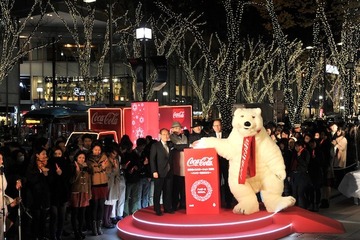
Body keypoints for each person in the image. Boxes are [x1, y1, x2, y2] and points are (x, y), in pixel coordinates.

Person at [25, 147, 51, 240]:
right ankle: (35, 236)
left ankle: (42, 235)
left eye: (46, 154)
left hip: (44, 197)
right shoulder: (31, 166)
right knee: (36, 218)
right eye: (43, 154)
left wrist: (46, 173)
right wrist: (40, 171)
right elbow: (31, 180)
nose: (45, 156)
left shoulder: (47, 165)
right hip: (34, 197)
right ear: (37, 155)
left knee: (43, 218)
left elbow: (48, 182)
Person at [86, 141, 111, 236]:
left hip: (103, 184)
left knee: (101, 206)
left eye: (99, 150)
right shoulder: (88, 159)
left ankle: (99, 226)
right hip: (94, 185)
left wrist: (104, 167)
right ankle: (94, 227)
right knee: (94, 207)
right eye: (95, 149)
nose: (97, 151)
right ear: (92, 149)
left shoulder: (104, 158)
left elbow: (109, 170)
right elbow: (90, 170)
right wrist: (100, 168)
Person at [48, 147, 71, 240]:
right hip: (53, 194)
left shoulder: (66, 164)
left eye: (59, 154)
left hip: (63, 194)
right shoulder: (49, 164)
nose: (57, 156)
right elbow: (49, 180)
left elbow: (68, 179)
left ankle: (59, 235)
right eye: (55, 154)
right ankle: (52, 235)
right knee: (54, 217)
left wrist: (61, 174)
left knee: (62, 217)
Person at [150, 128, 174, 216]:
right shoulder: (155, 146)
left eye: (167, 134)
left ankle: (167, 208)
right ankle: (157, 209)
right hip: (159, 172)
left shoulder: (170, 145)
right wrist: (154, 171)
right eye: (164, 134)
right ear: (160, 135)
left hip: (169, 172)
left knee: (168, 191)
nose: (166, 136)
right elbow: (152, 160)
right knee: (158, 191)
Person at [209, 119, 233, 209]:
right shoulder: (210, 137)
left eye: (218, 125)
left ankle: (228, 202)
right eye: (215, 125)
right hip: (214, 163)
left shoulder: (227, 135)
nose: (217, 127)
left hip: (226, 162)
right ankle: (216, 201)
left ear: (221, 126)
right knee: (215, 182)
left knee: (227, 181)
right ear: (213, 127)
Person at [69, 151, 91, 240]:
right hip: (75, 193)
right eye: (80, 157)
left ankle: (80, 230)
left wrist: (89, 193)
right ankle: (75, 231)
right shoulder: (72, 167)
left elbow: (89, 182)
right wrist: (77, 172)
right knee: (75, 214)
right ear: (76, 158)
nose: (82, 159)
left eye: (83, 158)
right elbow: (71, 181)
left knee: (82, 214)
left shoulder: (86, 168)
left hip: (84, 192)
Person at [0, 152, 21, 239]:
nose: (1, 161)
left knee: (2, 233)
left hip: (2, 207)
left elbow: (2, 193)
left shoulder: (1, 172)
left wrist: (11, 202)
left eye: (2, 159)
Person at [169, 121, 188, 211]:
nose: (178, 129)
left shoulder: (184, 137)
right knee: (175, 187)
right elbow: (175, 146)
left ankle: (183, 203)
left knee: (184, 187)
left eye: (179, 128)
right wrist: (184, 146)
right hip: (175, 165)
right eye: (176, 128)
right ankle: (174, 204)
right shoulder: (170, 137)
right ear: (172, 129)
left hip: (185, 165)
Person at [103, 144, 121, 228]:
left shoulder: (116, 160)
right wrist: (114, 168)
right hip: (109, 183)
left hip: (115, 183)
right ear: (110, 153)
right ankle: (105, 221)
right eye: (113, 153)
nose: (115, 155)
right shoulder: (106, 161)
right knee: (107, 202)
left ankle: (109, 220)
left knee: (112, 202)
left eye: (116, 154)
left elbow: (117, 173)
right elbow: (108, 174)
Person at [289, 140, 310, 209]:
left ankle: (303, 208)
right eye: (295, 146)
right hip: (294, 174)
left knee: (300, 192)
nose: (296, 147)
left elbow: (305, 164)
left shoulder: (305, 152)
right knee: (294, 192)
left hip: (302, 174)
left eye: (297, 146)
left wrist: (299, 157)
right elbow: (291, 164)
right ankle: (296, 208)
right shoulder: (295, 153)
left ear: (301, 146)